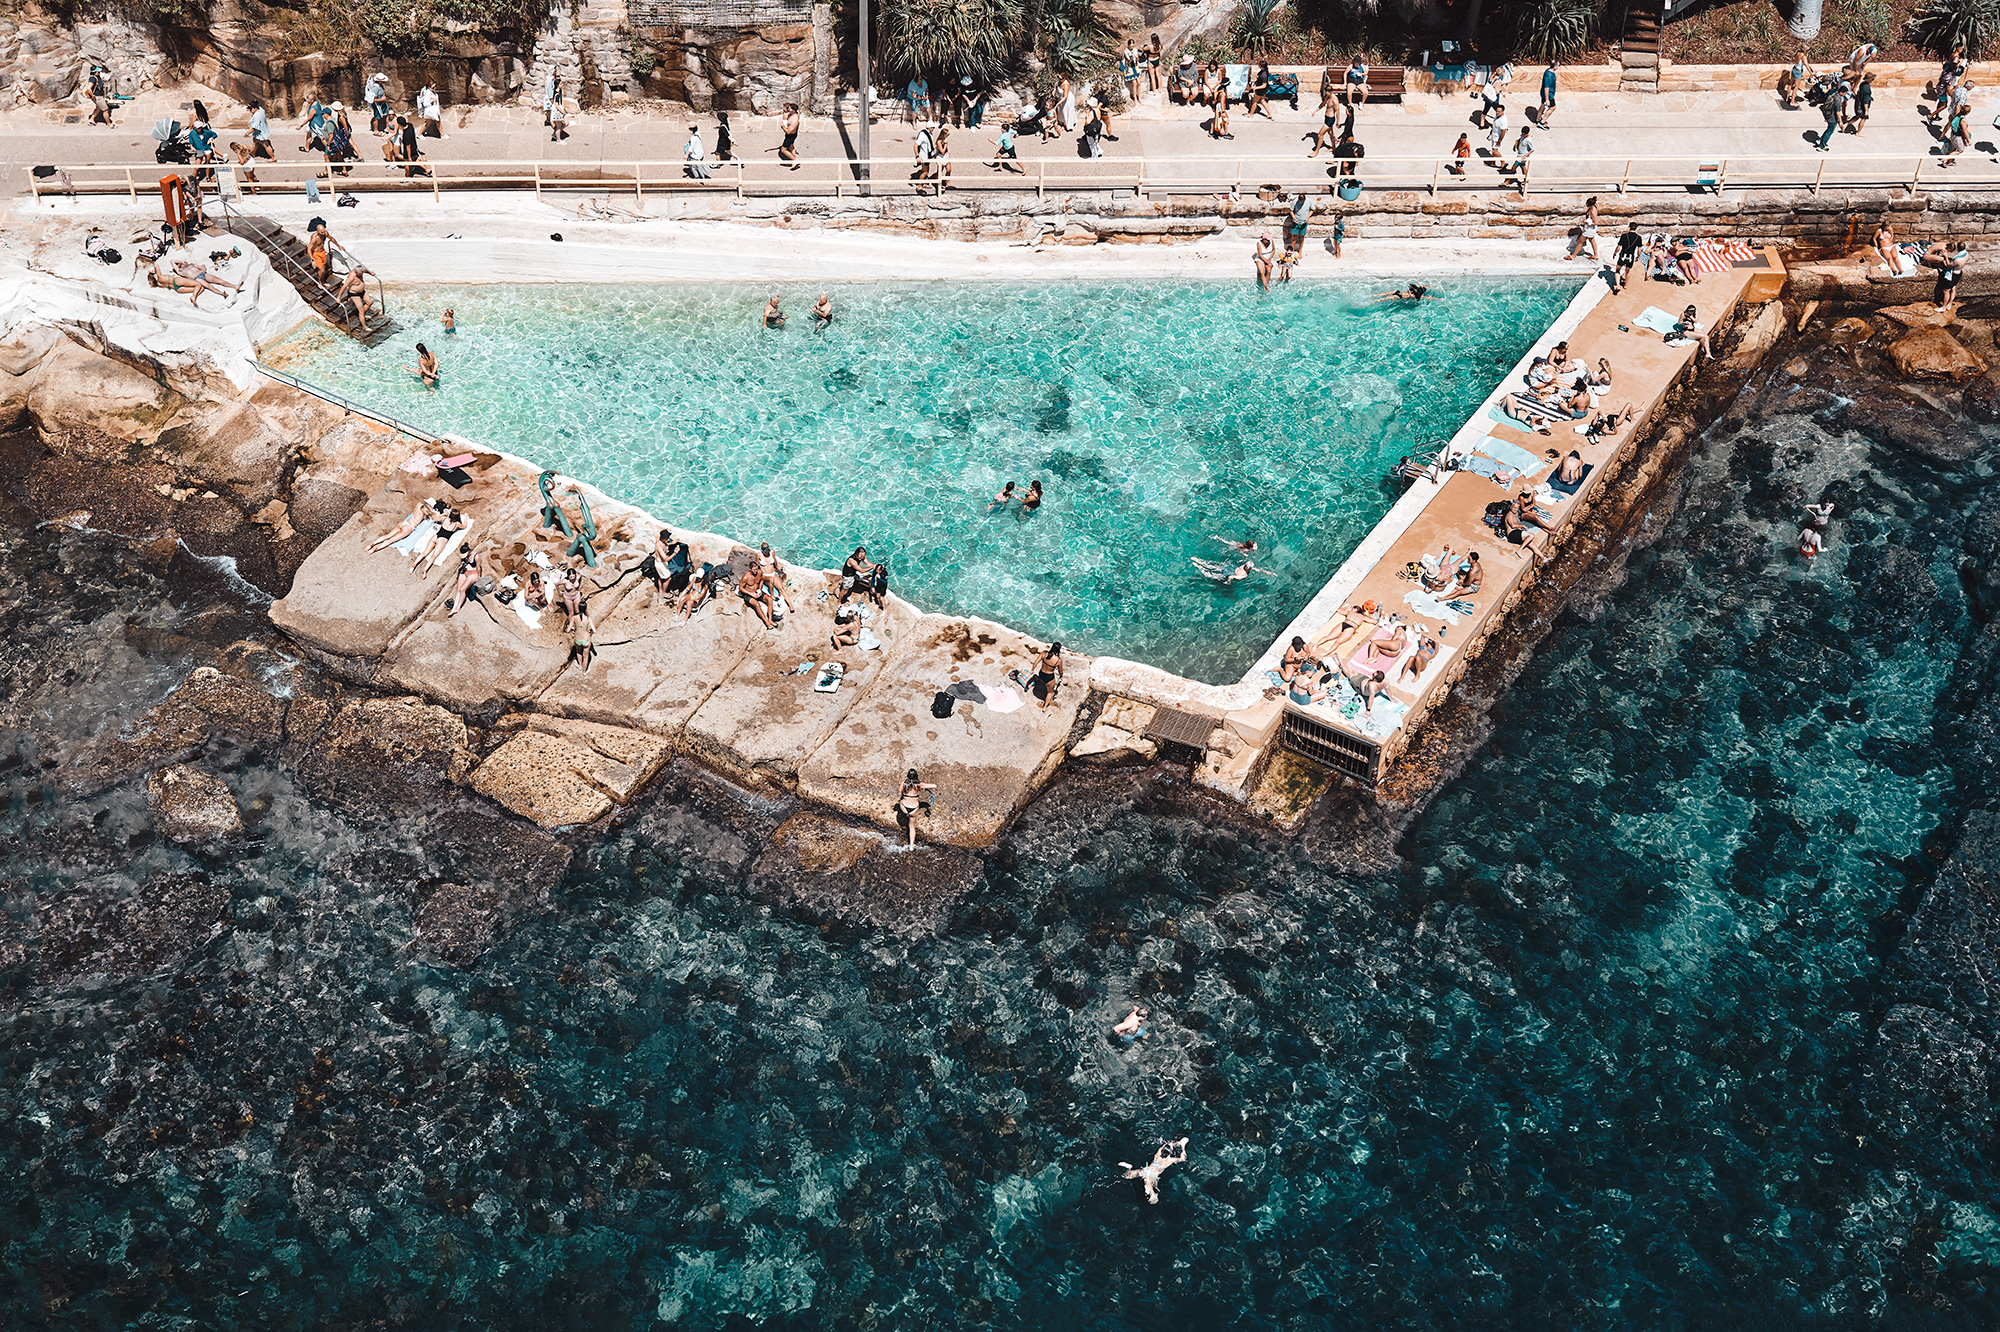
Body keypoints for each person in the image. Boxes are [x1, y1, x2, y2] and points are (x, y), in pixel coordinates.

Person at [1121, 1139, 1189, 1206]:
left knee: (1129, 1176)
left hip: (1148, 1168)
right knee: (1153, 1194)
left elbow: (1184, 1140)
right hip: (1153, 1174)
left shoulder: (1163, 1148)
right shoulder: (1172, 1159)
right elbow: (1184, 1157)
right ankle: (1152, 1195)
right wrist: (1183, 1151)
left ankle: (1128, 1169)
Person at [369, 497, 449, 552]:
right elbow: (436, 518)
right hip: (409, 527)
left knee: (387, 536)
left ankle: (371, 544)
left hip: (404, 522)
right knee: (390, 541)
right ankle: (374, 549)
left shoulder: (419, 504)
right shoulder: (426, 513)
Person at [410, 508, 464, 573]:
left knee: (424, 552)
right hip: (442, 540)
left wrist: (444, 514)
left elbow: (435, 517)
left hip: (435, 536)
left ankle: (414, 564)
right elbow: (464, 526)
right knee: (433, 556)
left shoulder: (445, 519)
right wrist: (465, 517)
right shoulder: (457, 524)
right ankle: (425, 570)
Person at [895, 769, 935, 846]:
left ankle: (904, 816)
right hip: (913, 809)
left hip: (904, 807)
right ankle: (911, 846)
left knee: (901, 800)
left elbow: (899, 793)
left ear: (908, 776)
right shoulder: (919, 784)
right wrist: (923, 787)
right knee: (912, 827)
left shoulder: (903, 783)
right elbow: (934, 785)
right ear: (916, 776)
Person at [1931, 237, 1969, 313]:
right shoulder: (1966, 254)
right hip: (1959, 272)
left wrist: (1946, 256)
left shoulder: (1957, 260)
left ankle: (1943, 307)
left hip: (1953, 275)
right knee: (1953, 288)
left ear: (1958, 248)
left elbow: (1948, 265)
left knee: (1946, 290)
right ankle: (1950, 303)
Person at [738, 558, 778, 629]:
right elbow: (740, 588)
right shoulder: (746, 577)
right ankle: (767, 623)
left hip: (757, 592)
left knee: (770, 599)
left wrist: (759, 589)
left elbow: (762, 580)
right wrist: (751, 594)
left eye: (756, 569)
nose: (756, 571)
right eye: (754, 570)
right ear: (750, 569)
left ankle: (770, 619)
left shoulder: (759, 572)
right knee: (757, 604)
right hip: (748, 595)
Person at [337, 264, 377, 333]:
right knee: (361, 309)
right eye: (360, 274)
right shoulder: (351, 277)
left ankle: (362, 315)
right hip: (354, 294)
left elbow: (365, 270)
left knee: (370, 302)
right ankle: (365, 326)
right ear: (357, 273)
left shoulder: (360, 269)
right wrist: (338, 298)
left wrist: (370, 273)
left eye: (362, 273)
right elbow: (344, 287)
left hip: (362, 292)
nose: (361, 275)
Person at [1026, 642, 1064, 708]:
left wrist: (1032, 670)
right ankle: (1045, 707)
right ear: (1059, 650)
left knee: (1044, 683)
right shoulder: (1058, 660)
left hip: (1041, 673)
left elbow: (1035, 662)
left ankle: (1043, 684)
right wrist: (1061, 676)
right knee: (1050, 692)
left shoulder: (1044, 653)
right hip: (1049, 677)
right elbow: (1060, 671)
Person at [1566, 196, 1599, 262]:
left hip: (1589, 230)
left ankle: (1573, 256)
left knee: (1580, 242)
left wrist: (1586, 221)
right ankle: (1595, 255)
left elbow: (1595, 222)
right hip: (1591, 229)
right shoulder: (1593, 208)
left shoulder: (1593, 211)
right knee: (1592, 241)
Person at [1613, 222, 1643, 291]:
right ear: (1636, 228)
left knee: (1617, 270)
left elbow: (1619, 247)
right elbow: (1639, 249)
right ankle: (1625, 285)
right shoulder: (1638, 238)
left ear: (1629, 227)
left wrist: (1615, 253)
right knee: (1628, 271)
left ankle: (1618, 285)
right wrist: (1638, 257)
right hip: (1630, 256)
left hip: (1623, 255)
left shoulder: (1624, 236)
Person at [1817, 79, 1845, 152]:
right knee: (1829, 132)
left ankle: (1820, 140)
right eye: (1845, 93)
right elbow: (1838, 112)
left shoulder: (1833, 94)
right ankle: (1821, 146)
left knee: (1828, 130)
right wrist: (1840, 122)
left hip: (1827, 115)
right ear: (1842, 92)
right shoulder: (1838, 100)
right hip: (1832, 118)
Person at [1285, 191, 1312, 255]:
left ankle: (1300, 251)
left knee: (1302, 237)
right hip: (1296, 223)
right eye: (1300, 201)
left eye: (1303, 201)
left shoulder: (1309, 201)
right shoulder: (1295, 201)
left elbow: (1312, 210)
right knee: (1293, 237)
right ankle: (1292, 251)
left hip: (1304, 223)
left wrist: (1307, 217)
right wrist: (1294, 218)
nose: (1302, 203)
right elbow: (1291, 210)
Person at [777, 102, 801, 168]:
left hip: (790, 136)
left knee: (783, 150)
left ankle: (794, 161)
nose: (788, 109)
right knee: (791, 147)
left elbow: (788, 132)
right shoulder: (795, 113)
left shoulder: (794, 121)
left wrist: (783, 127)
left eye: (789, 108)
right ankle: (792, 162)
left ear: (793, 110)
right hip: (793, 134)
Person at [1538, 62, 1557, 126]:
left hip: (1544, 94)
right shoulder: (1549, 75)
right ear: (1555, 66)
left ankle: (1537, 120)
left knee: (1542, 106)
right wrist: (1547, 99)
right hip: (1549, 95)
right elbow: (1546, 88)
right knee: (1553, 107)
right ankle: (1542, 122)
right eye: (1558, 65)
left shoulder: (1548, 71)